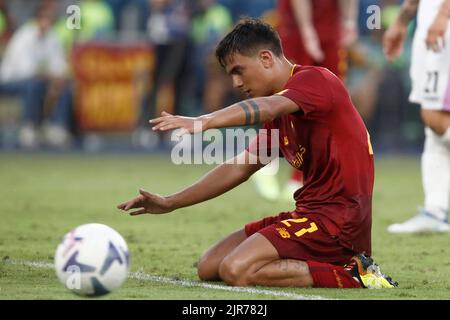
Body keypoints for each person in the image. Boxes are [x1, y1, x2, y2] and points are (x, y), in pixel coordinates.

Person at [118, 18, 397, 289]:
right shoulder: (278, 116)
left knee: (235, 269)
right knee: (209, 265)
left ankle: (356, 273)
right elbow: (239, 167)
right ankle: (326, 264)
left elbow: (270, 106)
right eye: (231, 75)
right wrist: (171, 202)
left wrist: (204, 121)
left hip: (338, 224)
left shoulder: (316, 80)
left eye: (239, 71)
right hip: (309, 215)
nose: (236, 83)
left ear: (266, 58)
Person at [251, 0, 359, 202]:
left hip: (329, 27)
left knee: (327, 100)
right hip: (296, 26)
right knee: (287, 94)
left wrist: (349, 22)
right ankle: (266, 161)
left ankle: (300, 177)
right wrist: (307, 29)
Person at [383, 0, 450, 233]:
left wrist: (443, 14)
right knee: (433, 128)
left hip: (443, 24)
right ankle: (435, 211)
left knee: (435, 118)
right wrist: (403, 19)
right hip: (429, 23)